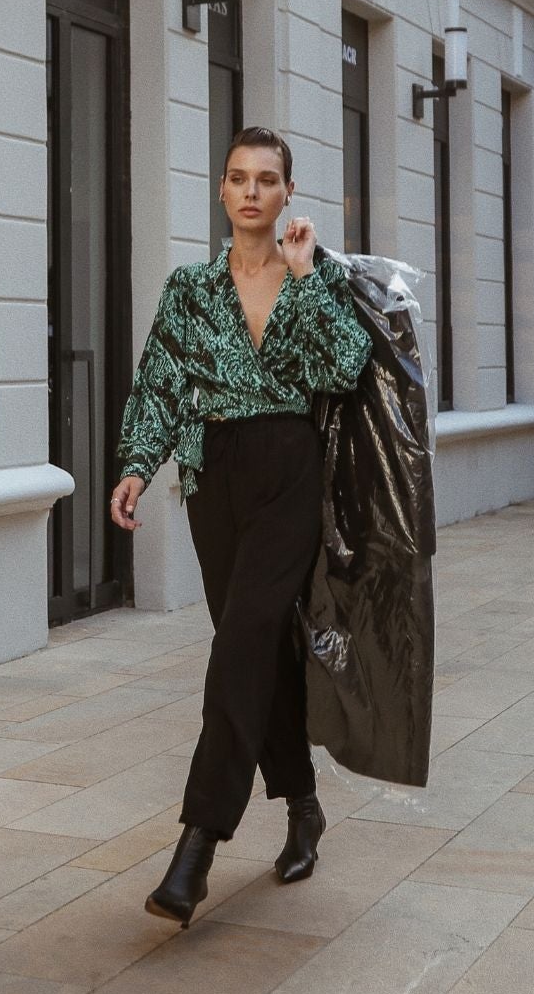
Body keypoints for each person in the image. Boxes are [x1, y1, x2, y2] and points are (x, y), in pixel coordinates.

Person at [110, 126, 373, 928]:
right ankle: (301, 805)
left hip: (289, 470)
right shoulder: (188, 289)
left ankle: (196, 844)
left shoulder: (310, 277)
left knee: (239, 645)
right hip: (214, 474)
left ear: (288, 192)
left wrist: (306, 279)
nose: (251, 190)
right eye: (237, 177)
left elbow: (347, 366)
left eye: (267, 178)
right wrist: (134, 463)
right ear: (221, 192)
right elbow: (157, 383)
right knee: (253, 650)